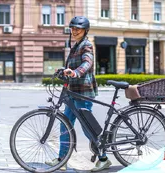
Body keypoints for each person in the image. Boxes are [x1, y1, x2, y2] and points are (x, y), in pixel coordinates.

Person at [45, 16, 112, 172]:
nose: (74, 31)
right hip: (72, 91)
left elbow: (87, 63)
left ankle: (104, 159)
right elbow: (73, 66)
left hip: (84, 91)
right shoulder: (75, 46)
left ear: (85, 31)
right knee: (65, 125)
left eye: (78, 29)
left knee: (87, 127)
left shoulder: (86, 45)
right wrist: (64, 70)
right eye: (72, 28)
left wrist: (75, 73)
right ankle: (62, 160)